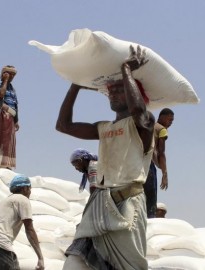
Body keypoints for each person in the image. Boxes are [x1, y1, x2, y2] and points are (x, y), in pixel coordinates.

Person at [56, 45, 155, 270]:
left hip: (127, 206)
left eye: (120, 89)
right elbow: (63, 125)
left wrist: (126, 70)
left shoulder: (145, 123)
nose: (112, 92)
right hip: (99, 204)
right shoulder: (103, 127)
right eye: (111, 90)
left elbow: (139, 112)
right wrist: (75, 86)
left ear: (134, 93)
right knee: (74, 262)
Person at [0, 175, 44, 270]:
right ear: (24, 188)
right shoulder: (23, 200)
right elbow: (29, 229)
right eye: (29, 188)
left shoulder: (5, 200)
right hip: (1, 246)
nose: (30, 192)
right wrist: (40, 258)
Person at [144, 108, 174, 218]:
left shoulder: (150, 127)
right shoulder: (162, 130)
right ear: (162, 117)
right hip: (149, 167)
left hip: (138, 165)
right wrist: (164, 174)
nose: (170, 123)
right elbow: (161, 152)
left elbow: (153, 152)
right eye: (170, 120)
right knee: (151, 203)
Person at [0, 65, 20, 170]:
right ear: (3, 74)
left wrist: (16, 120)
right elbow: (1, 94)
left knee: (9, 143)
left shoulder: (13, 90)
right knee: (0, 140)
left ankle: (7, 166)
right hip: (1, 115)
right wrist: (5, 81)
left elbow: (15, 105)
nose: (11, 76)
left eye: (13, 74)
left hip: (10, 118)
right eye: (8, 73)